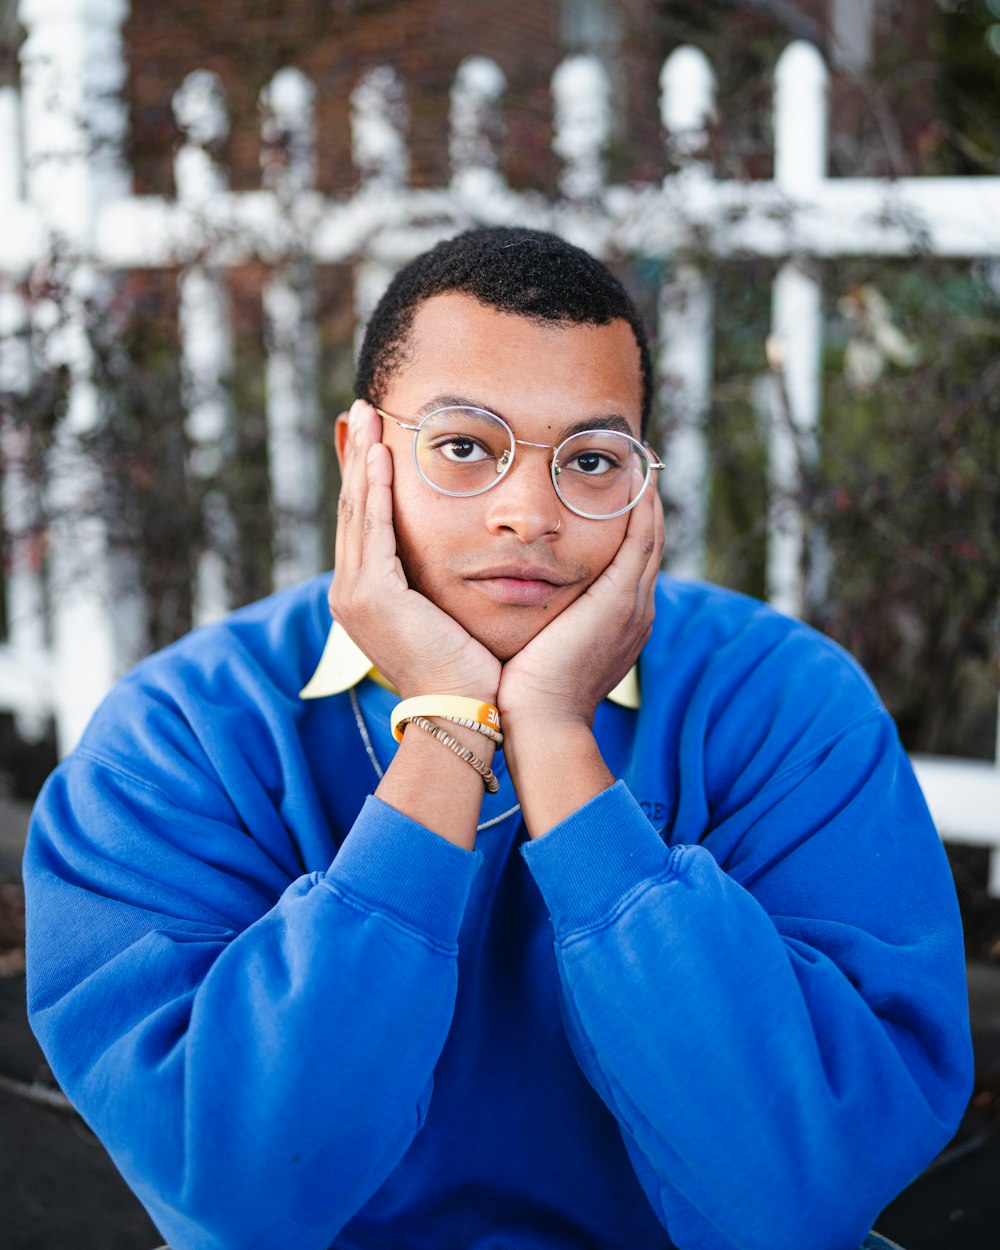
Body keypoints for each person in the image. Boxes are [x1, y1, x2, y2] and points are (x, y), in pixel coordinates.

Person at [24, 227, 970, 1250]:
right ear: (362, 455)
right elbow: (242, 1187)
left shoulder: (787, 705)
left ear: (644, 483)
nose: (529, 512)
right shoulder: (180, 734)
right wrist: (446, 730)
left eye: (592, 459)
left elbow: (798, 1191)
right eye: (465, 446)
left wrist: (558, 740)